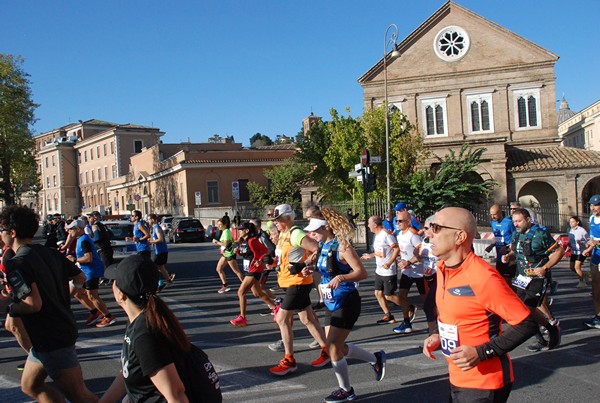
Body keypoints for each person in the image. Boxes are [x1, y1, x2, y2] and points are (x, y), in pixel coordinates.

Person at [423, 207, 538, 403]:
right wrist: (439, 335)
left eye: (436, 227)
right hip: (458, 376)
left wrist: (481, 352)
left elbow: (526, 324)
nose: (429, 234)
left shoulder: (482, 277)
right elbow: (461, 315)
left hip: (485, 383)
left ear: (459, 236)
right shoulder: (442, 268)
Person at [1, 205, 99, 402]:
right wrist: (63, 297)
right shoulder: (49, 252)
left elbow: (33, 304)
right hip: (53, 332)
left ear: (12, 233)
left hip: (50, 336)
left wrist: (10, 306)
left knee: (79, 394)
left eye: (1, 230)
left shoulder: (16, 263)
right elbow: (79, 277)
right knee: (31, 385)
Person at [306, 208, 386, 402]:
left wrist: (342, 277)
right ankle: (375, 359)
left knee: (332, 346)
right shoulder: (322, 246)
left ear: (326, 227)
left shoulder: (342, 246)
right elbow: (326, 270)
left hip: (347, 300)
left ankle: (346, 390)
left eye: (315, 229)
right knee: (335, 346)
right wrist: (310, 270)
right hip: (331, 301)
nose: (311, 234)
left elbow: (361, 272)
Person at [99, 255, 193, 402]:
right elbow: (128, 370)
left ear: (121, 295)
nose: (112, 284)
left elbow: (176, 393)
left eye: (114, 281)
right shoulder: (138, 320)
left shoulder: (145, 334)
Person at [269, 203, 328, 376]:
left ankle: (289, 360)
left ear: (287, 218)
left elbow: (317, 249)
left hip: (298, 283)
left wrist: (304, 264)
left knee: (282, 319)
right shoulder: (283, 235)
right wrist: (272, 262)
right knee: (307, 318)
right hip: (290, 283)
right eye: (274, 220)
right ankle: (328, 351)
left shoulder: (296, 233)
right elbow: (285, 258)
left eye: (278, 219)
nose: (276, 223)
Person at [502, 208, 563, 352]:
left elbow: (559, 251)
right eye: (514, 221)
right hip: (521, 277)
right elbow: (517, 251)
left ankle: (552, 329)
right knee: (522, 310)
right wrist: (509, 256)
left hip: (537, 278)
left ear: (528, 220)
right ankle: (540, 339)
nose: (516, 224)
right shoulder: (516, 234)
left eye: (519, 221)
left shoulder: (540, 234)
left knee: (529, 308)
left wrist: (545, 267)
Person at [66, 219, 117, 328]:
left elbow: (88, 258)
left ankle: (108, 316)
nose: (69, 231)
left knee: (92, 296)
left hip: (91, 271)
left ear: (78, 229)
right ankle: (95, 312)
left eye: (71, 229)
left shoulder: (84, 240)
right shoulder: (80, 238)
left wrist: (74, 259)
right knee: (77, 293)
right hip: (86, 271)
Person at [230, 222, 278, 326]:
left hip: (254, 269)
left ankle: (242, 318)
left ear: (247, 231)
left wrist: (260, 260)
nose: (239, 231)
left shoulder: (252, 240)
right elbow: (246, 254)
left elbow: (265, 250)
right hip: (248, 270)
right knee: (257, 293)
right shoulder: (244, 241)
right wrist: (237, 252)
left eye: (241, 230)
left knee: (241, 292)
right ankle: (275, 308)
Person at [361, 215, 401, 324]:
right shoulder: (376, 236)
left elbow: (396, 249)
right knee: (378, 293)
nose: (368, 225)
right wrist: (371, 255)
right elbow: (381, 251)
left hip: (388, 270)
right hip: (379, 270)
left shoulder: (386, 234)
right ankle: (388, 315)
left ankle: (409, 306)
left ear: (375, 225)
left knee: (389, 296)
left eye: (369, 223)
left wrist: (389, 262)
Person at [392, 210, 425, 334]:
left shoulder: (413, 236)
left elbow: (422, 254)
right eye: (397, 221)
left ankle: (434, 322)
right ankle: (406, 322)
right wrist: (401, 261)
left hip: (419, 272)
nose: (398, 223)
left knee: (426, 300)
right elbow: (403, 252)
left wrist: (409, 262)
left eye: (401, 221)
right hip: (407, 272)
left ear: (408, 222)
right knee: (402, 297)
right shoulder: (400, 235)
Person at [484, 204, 517, 285]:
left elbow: (516, 236)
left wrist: (510, 248)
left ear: (500, 213)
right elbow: (496, 237)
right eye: (491, 214)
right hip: (499, 256)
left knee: (507, 281)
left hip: (508, 256)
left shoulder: (509, 223)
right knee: (500, 280)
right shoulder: (493, 223)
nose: (492, 216)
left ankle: (514, 296)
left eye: (494, 214)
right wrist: (491, 246)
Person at [582, 194, 600, 329]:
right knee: (595, 289)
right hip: (595, 257)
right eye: (591, 205)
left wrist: (594, 243)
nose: (593, 208)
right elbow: (592, 237)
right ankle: (598, 317)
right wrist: (589, 246)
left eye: (596, 205)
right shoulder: (592, 218)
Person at [212, 219, 243, 293]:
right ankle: (225, 286)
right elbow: (231, 241)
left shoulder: (226, 232)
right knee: (218, 269)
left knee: (236, 271)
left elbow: (225, 244)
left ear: (225, 224)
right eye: (218, 224)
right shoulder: (225, 231)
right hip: (225, 254)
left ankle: (247, 285)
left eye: (220, 224)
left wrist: (216, 242)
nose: (218, 226)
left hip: (229, 254)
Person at [148, 214, 174, 291]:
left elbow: (161, 239)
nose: (148, 221)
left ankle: (160, 282)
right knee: (160, 267)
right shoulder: (154, 228)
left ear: (153, 220)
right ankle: (169, 279)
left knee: (153, 267)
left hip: (161, 251)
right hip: (160, 251)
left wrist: (151, 241)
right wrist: (153, 242)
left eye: (149, 219)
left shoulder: (157, 228)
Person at [567, 215, 589, 288]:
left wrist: (581, 242)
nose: (571, 223)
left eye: (573, 222)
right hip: (574, 252)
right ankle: (584, 274)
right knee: (572, 267)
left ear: (577, 222)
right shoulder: (569, 230)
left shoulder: (582, 230)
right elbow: (570, 241)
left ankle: (582, 282)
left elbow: (588, 240)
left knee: (577, 267)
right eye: (570, 222)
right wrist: (568, 245)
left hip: (581, 251)